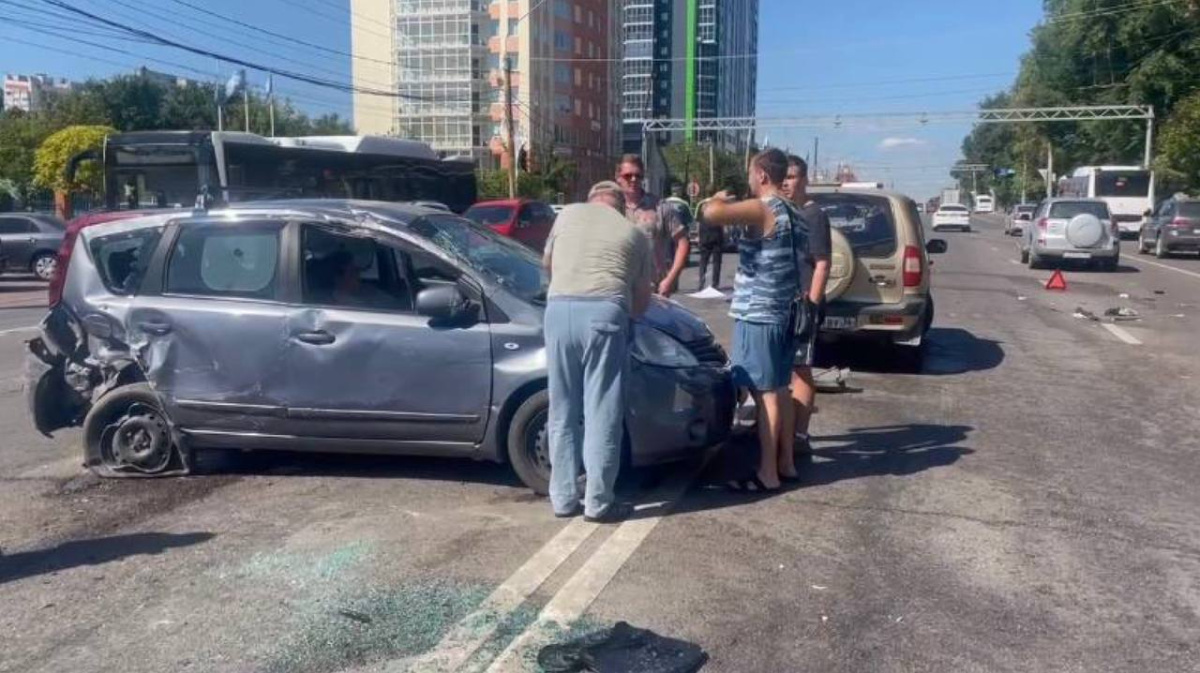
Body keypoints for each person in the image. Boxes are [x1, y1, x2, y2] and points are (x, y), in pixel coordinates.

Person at [542, 181, 655, 523]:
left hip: (558, 312)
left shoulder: (565, 217)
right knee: (601, 409)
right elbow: (642, 302)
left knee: (561, 408)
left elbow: (547, 266)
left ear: (590, 201)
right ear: (620, 207)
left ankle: (562, 498)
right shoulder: (634, 233)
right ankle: (598, 501)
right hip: (604, 314)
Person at [701, 149, 802, 492]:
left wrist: (715, 198)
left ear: (761, 175)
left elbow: (712, 214)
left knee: (765, 394)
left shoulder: (765, 207)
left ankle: (767, 473)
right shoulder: (793, 210)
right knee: (781, 389)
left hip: (759, 313)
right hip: (784, 312)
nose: (747, 179)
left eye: (749, 173)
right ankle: (785, 462)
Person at [781, 155, 832, 469]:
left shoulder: (813, 215)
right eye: (782, 176)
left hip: (804, 304)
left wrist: (811, 304)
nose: (787, 182)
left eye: (792, 176)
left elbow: (822, 263)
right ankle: (787, 430)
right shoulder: (787, 212)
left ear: (805, 179)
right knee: (787, 368)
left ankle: (800, 435)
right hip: (783, 302)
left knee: (801, 369)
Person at [615, 155, 689, 297]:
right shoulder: (612, 208)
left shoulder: (660, 207)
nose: (633, 179)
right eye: (627, 176)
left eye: (638, 175)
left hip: (653, 291)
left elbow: (683, 242)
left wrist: (670, 278)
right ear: (618, 178)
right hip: (619, 290)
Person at [695, 197, 725, 291]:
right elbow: (723, 227)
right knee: (716, 262)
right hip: (716, 239)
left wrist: (698, 237)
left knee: (703, 261)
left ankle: (701, 282)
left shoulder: (702, 216)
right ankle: (715, 284)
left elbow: (698, 227)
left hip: (706, 240)